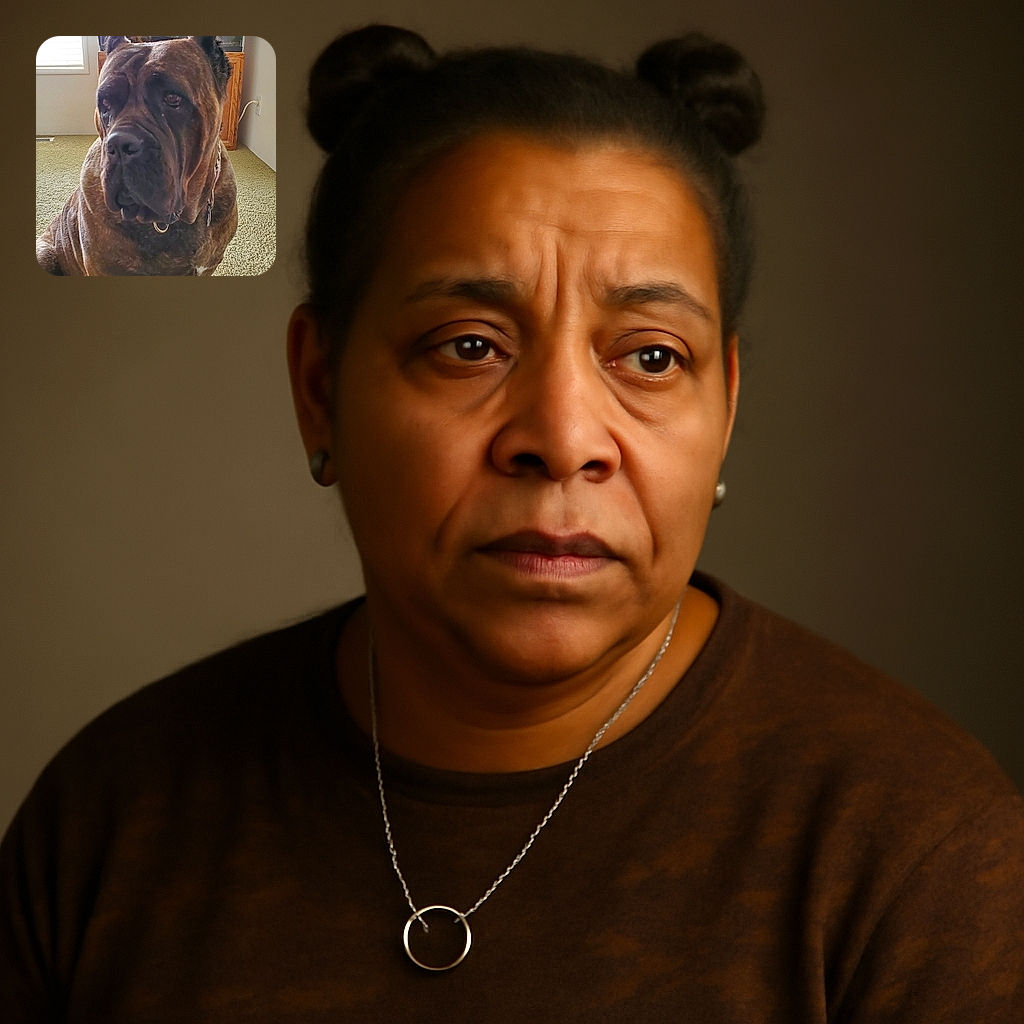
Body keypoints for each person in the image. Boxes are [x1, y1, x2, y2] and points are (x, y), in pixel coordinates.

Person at [2, 24, 1022, 1022]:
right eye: (469, 345)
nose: (564, 438)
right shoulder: (107, 825)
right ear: (320, 389)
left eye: (652, 357)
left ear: (726, 407)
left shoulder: (922, 856)